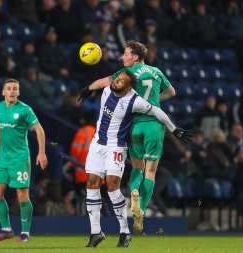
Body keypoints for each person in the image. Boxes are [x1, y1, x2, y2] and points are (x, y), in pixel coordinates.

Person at [78, 40, 191, 234]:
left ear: (135, 57)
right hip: (154, 125)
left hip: (135, 125)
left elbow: (104, 82)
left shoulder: (127, 75)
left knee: (137, 167)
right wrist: (156, 101)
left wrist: (88, 89)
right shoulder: (156, 72)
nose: (123, 57)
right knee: (151, 172)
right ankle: (142, 210)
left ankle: (134, 191)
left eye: (126, 54)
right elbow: (172, 92)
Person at [0, 79, 48, 242]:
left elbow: (39, 129)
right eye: (9, 89)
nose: (12, 91)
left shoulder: (25, 109)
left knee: (22, 196)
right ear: (3, 92)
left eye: (15, 89)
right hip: (2, 159)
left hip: (20, 159)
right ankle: (7, 230)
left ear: (18, 93)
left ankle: (25, 233)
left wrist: (41, 152)